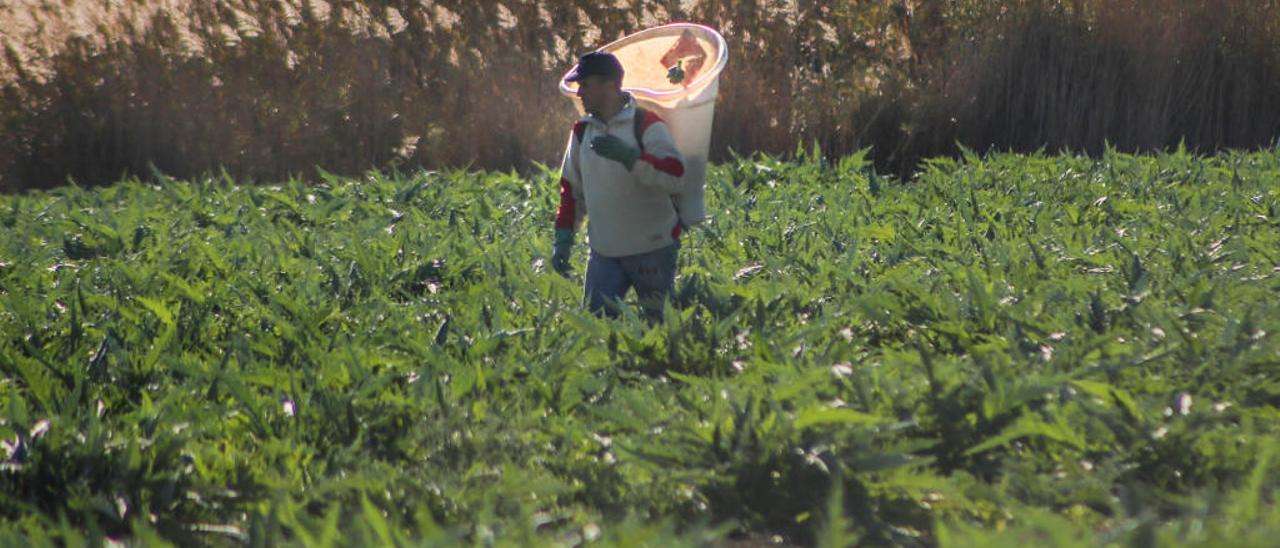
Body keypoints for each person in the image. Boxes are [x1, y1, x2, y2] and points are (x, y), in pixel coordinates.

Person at [551, 51, 687, 319]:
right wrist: (563, 238)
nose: (579, 94)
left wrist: (631, 158)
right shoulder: (581, 132)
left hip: (652, 250)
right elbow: (570, 191)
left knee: (660, 328)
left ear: (611, 85)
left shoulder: (645, 124)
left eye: (585, 85)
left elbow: (675, 177)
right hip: (604, 252)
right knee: (596, 329)